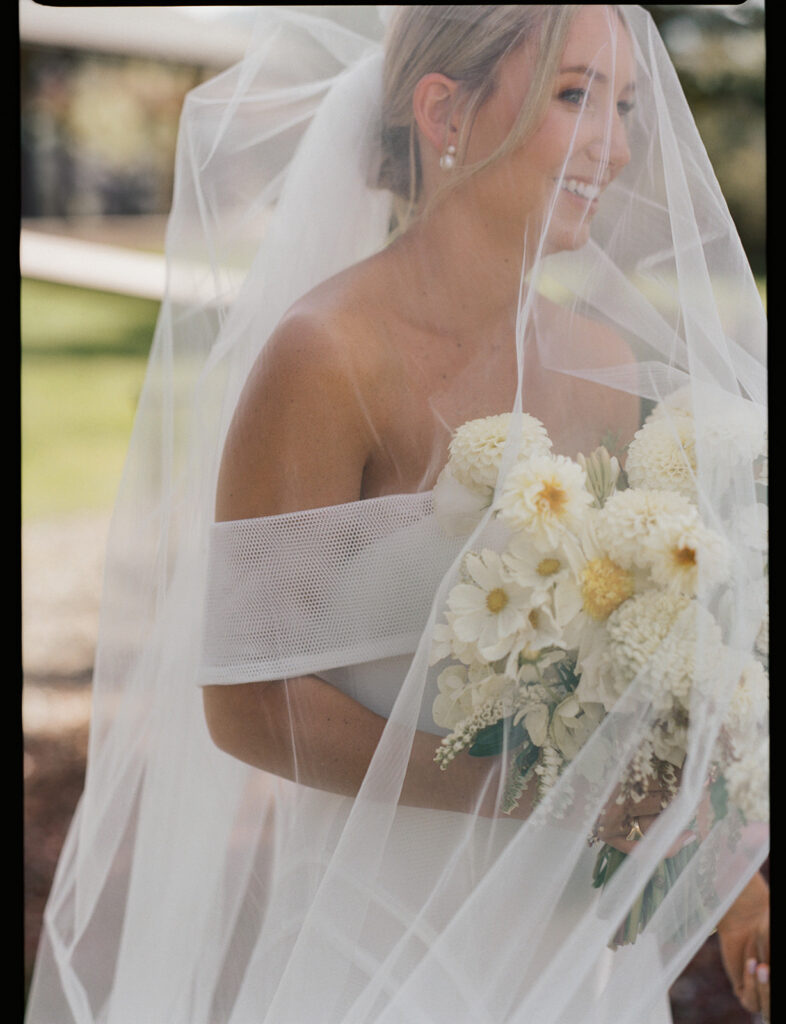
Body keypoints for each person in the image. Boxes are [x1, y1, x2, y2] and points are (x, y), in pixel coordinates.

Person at [26, 7, 768, 1023]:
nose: (617, 143)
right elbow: (246, 701)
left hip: (578, 974)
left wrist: (736, 886)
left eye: (627, 103)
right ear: (443, 111)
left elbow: (675, 679)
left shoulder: (606, 368)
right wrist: (522, 789)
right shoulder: (329, 358)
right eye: (574, 94)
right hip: (379, 959)